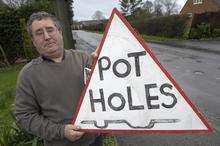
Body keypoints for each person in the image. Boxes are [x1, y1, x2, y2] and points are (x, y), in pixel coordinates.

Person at [14, 11, 101, 146]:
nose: (47, 36)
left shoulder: (84, 59)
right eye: (39, 33)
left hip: (94, 141)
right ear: (33, 41)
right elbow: (24, 115)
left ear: (59, 32)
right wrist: (61, 131)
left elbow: (104, 88)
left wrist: (102, 63)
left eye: (50, 30)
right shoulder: (28, 75)